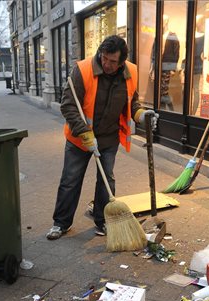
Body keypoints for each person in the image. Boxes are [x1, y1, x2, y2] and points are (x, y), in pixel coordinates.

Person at [46, 35, 158, 240]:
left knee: (107, 180)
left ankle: (102, 221)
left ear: (122, 61)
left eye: (112, 61)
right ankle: (60, 223)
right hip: (79, 139)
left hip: (108, 138)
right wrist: (84, 133)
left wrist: (141, 115)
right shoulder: (82, 70)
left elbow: (131, 103)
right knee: (71, 180)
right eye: (104, 58)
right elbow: (68, 106)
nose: (106, 63)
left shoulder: (131, 72)